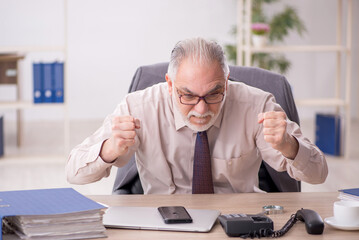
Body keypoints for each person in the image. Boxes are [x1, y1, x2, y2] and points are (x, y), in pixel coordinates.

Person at [66, 37, 328, 194]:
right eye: (188, 96)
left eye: (214, 94)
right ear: (169, 84)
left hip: (235, 221)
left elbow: (319, 174)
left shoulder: (256, 105)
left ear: (226, 82)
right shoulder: (139, 106)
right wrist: (109, 149)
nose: (201, 110)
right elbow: (73, 173)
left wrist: (289, 146)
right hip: (162, 222)